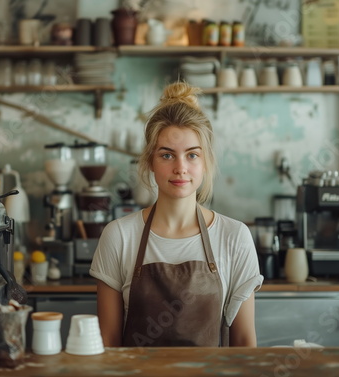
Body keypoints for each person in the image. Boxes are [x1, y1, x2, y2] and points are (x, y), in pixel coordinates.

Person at [90, 81, 263, 347]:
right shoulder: (119, 236)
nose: (180, 168)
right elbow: (108, 345)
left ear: (205, 162)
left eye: (192, 155)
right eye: (167, 155)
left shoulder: (234, 237)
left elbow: (244, 343)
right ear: (150, 161)